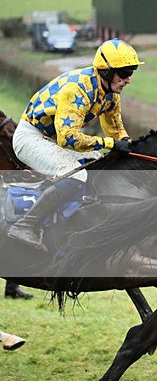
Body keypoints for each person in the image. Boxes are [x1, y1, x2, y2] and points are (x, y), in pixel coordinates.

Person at [7, 38, 142, 251]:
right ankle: (25, 226)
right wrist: (109, 143)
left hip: (53, 139)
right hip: (30, 137)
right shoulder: (77, 89)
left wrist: (128, 144)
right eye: (124, 73)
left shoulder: (110, 94)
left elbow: (115, 129)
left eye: (131, 73)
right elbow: (67, 138)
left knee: (101, 163)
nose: (128, 80)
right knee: (76, 175)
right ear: (106, 71)